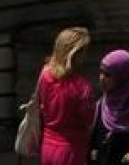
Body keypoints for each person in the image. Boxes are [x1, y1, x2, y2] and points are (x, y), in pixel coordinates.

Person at [37, 26, 96, 165]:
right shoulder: (82, 86)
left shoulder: (44, 74)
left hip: (47, 147)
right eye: (83, 52)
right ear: (75, 54)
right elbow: (88, 121)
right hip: (71, 150)